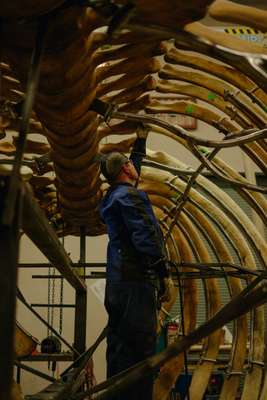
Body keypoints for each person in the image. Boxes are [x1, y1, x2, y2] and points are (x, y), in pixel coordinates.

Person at [99, 125, 172, 400]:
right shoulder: (129, 197)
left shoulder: (113, 196)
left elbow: (129, 174)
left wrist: (139, 144)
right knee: (141, 352)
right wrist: (163, 272)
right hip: (135, 284)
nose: (134, 167)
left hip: (117, 284)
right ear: (126, 170)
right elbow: (146, 236)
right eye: (131, 164)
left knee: (119, 348)